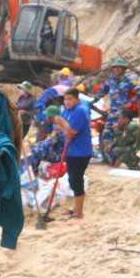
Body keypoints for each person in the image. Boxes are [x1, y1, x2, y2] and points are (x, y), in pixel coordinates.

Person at [53, 87, 93, 220]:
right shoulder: (67, 110)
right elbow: (64, 128)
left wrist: (63, 124)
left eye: (70, 99)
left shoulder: (80, 111)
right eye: (65, 99)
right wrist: (63, 125)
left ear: (77, 99)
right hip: (71, 150)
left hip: (81, 152)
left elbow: (72, 132)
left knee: (77, 180)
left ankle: (79, 212)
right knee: (72, 179)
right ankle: (75, 208)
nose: (67, 102)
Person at [99, 58, 138, 162]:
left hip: (122, 114)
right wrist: (93, 101)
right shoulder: (110, 80)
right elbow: (102, 91)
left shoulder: (129, 81)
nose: (117, 70)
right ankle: (111, 157)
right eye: (115, 68)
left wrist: (130, 103)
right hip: (112, 112)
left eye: (119, 68)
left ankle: (122, 158)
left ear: (124, 69)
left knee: (120, 135)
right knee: (106, 134)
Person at [27, 105, 65, 177]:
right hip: (58, 150)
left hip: (59, 155)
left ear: (51, 117)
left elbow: (50, 143)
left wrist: (36, 145)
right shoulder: (56, 125)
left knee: (35, 151)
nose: (46, 117)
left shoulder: (58, 128)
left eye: (47, 115)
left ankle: (35, 173)